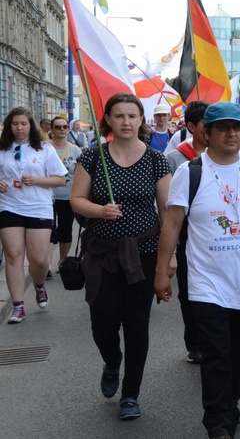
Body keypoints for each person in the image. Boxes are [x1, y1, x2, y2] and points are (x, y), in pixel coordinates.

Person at [155, 101, 240, 439]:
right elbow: (172, 223)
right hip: (205, 282)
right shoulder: (190, 172)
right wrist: (161, 270)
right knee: (216, 353)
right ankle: (219, 421)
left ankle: (230, 400)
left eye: (237, 127)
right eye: (223, 127)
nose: (231, 133)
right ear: (206, 132)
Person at [70, 92, 171, 420]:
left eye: (132, 115)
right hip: (102, 255)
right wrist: (100, 210)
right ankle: (112, 362)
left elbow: (167, 212)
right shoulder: (92, 157)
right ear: (109, 120)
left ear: (141, 120)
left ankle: (131, 394)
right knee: (103, 322)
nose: (126, 122)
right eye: (119, 116)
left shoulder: (157, 160)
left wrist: (170, 257)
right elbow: (76, 200)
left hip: (144, 253)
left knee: (137, 325)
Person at [0, 108, 66, 323]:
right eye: (15, 124)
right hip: (9, 206)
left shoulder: (44, 149)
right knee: (13, 256)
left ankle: (38, 285)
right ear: (9, 126)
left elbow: (60, 180)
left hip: (38, 207)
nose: (19, 128)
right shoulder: (2, 149)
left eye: (23, 124)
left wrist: (37, 180)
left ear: (31, 126)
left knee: (38, 260)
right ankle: (18, 306)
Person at [165, 100, 210, 364]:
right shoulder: (175, 159)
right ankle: (194, 342)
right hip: (185, 239)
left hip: (215, 237)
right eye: (206, 125)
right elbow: (167, 207)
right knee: (189, 291)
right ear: (191, 126)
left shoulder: (230, 155)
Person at [48, 117, 82, 273]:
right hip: (47, 196)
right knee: (48, 230)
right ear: (52, 129)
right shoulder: (45, 148)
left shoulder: (75, 150)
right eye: (58, 127)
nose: (62, 129)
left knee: (65, 230)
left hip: (68, 196)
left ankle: (62, 261)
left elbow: (82, 173)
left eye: (65, 126)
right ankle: (46, 264)